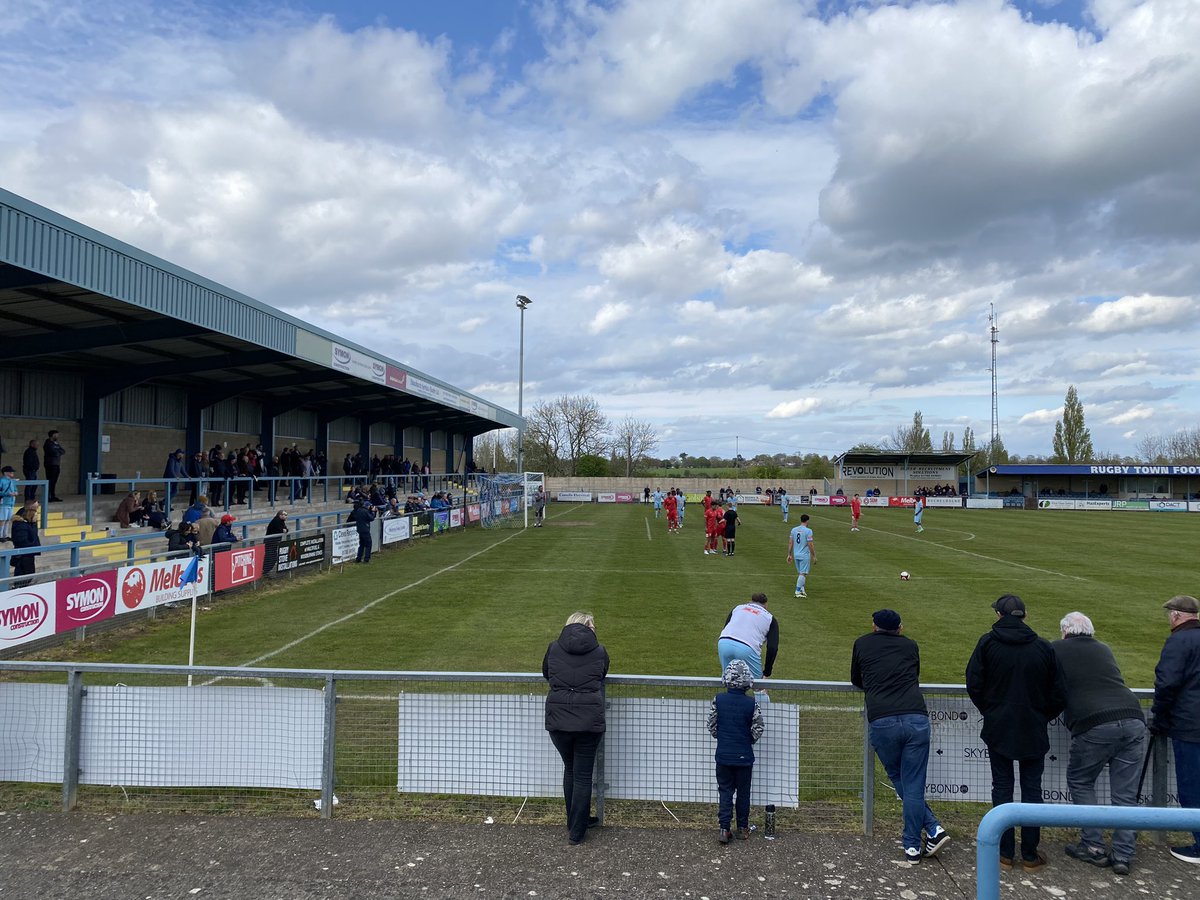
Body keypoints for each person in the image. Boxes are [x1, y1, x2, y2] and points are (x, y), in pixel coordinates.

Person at [966, 594, 1066, 871]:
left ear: (999, 615)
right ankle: (1030, 854)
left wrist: (992, 711)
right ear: (1025, 616)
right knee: (1032, 790)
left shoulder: (987, 643)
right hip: (1032, 727)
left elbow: (974, 683)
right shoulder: (1043, 647)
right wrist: (1040, 715)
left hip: (1000, 727)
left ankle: (1005, 852)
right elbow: (1059, 693)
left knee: (1002, 788)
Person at [851, 609, 949, 865]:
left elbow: (856, 678)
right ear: (899, 628)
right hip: (915, 717)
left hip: (883, 719)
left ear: (874, 626)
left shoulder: (862, 643)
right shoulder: (910, 645)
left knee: (900, 779)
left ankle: (917, 843)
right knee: (912, 784)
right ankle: (926, 835)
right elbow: (913, 674)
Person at [1052, 611, 1146, 876]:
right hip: (1132, 717)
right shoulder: (1103, 648)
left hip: (1095, 723)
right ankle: (1123, 855)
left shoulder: (1057, 648)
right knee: (1125, 793)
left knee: (1081, 781)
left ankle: (1093, 845)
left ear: (1065, 631)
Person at [543, 611, 609, 845]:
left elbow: (546, 674)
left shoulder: (553, 647)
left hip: (559, 721)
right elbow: (602, 675)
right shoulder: (600, 651)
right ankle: (577, 829)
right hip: (588, 721)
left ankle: (574, 822)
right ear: (588, 627)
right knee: (581, 775)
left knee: (571, 770)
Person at [1151, 595, 1200, 865]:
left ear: (1176, 616)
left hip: (1190, 726)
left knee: (1192, 787)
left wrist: (1159, 718)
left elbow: (1166, 683)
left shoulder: (1178, 641)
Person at [707, 659, 764, 844]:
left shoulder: (719, 699)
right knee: (743, 793)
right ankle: (742, 828)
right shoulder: (751, 703)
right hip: (744, 757)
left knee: (725, 791)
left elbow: (711, 725)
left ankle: (724, 829)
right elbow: (758, 728)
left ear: (726, 679)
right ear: (748, 680)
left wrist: (722, 738)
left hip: (723, 755)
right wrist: (748, 742)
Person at [717, 593, 779, 681]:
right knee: (759, 686)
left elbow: (726, 627)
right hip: (747, 648)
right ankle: (760, 693)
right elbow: (772, 648)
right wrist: (767, 672)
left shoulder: (738, 608)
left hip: (724, 642)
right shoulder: (770, 618)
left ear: (751, 601)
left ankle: (727, 694)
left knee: (729, 679)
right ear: (766, 605)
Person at [10, 505, 41, 587]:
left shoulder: (25, 524)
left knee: (28, 576)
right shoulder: (20, 525)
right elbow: (29, 539)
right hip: (23, 556)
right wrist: (34, 524)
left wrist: (33, 524)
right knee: (23, 578)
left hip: (27, 555)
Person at [786, 514, 815, 598]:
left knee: (800, 573)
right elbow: (810, 544)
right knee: (803, 573)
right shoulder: (808, 530)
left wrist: (789, 554)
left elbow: (791, 542)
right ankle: (797, 591)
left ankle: (802, 590)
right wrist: (814, 555)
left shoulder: (794, 529)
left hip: (796, 554)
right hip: (804, 555)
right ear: (807, 521)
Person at [348, 499, 376, 563]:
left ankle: (358, 558)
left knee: (361, 544)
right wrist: (373, 512)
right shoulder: (366, 511)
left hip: (359, 529)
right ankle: (366, 559)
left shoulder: (358, 510)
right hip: (365, 529)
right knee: (368, 544)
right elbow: (371, 518)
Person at [263, 510, 289, 574]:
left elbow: (286, 529)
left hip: (274, 541)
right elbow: (281, 530)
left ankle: (266, 570)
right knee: (270, 556)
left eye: (286, 515)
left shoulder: (281, 521)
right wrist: (284, 530)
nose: (286, 517)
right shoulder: (276, 520)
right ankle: (265, 570)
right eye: (285, 515)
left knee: (273, 556)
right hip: (270, 541)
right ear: (280, 515)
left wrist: (285, 530)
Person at [43, 430, 65, 502]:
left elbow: (63, 451)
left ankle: (52, 495)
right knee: (50, 481)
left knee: (54, 481)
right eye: (56, 435)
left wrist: (58, 451)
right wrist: (58, 451)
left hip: (56, 464)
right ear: (53, 435)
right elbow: (54, 453)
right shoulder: (48, 444)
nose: (57, 436)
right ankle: (48, 496)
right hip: (50, 464)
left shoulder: (56, 443)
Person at [0, 465, 18, 542]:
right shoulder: (2, 481)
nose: (12, 473)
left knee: (8, 519)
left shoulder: (11, 481)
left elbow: (15, 489)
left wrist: (15, 492)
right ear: (5, 473)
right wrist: (8, 493)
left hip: (11, 502)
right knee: (2, 519)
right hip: (4, 502)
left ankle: (6, 535)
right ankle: (1, 535)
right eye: (10, 472)